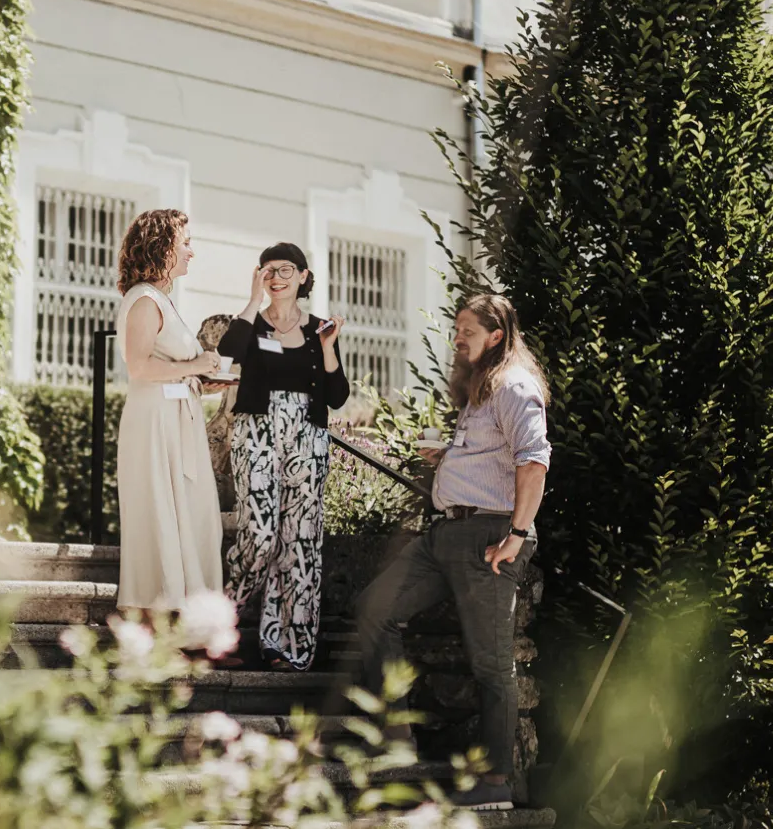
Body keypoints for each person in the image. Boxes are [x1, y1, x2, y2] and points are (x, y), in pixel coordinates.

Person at [351, 294, 550, 812]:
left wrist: (519, 535)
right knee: (375, 607)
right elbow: (494, 459)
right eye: (456, 328)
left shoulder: (513, 386)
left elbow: (533, 464)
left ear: (496, 335)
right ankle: (394, 737)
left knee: (492, 665)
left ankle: (497, 779)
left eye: (466, 329)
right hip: (445, 535)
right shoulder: (478, 391)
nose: (457, 337)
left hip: (488, 538)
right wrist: (449, 456)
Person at [217, 243, 349, 671]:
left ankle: (283, 646)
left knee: (299, 543)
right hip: (257, 434)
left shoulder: (319, 329)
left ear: (304, 276)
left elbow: (337, 397)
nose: (276, 276)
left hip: (308, 441)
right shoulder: (251, 325)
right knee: (259, 534)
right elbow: (227, 350)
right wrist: (254, 300)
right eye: (268, 270)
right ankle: (218, 625)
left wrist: (329, 346)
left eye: (286, 269)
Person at [114, 209, 225, 613]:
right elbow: (140, 366)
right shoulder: (143, 299)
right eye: (186, 242)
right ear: (163, 245)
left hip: (178, 421)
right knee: (161, 516)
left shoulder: (163, 299)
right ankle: (155, 624)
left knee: (193, 518)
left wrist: (202, 379)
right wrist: (195, 366)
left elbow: (170, 367)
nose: (192, 251)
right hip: (155, 425)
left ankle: (192, 623)